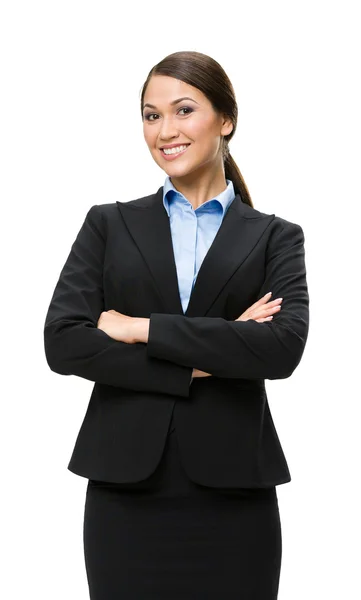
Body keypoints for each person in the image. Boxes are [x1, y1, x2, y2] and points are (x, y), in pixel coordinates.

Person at [43, 50, 309, 599]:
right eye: (151, 114)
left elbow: (280, 349)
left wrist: (139, 327)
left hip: (236, 494)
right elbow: (64, 343)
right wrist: (207, 359)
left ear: (226, 120)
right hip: (124, 492)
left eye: (183, 110)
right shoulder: (109, 224)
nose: (166, 130)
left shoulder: (274, 237)